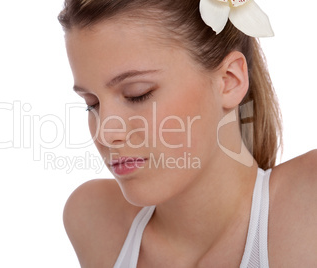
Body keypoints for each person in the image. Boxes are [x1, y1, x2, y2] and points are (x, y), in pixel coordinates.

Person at [58, 0, 317, 267]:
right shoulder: (94, 221)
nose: (105, 133)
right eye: (92, 103)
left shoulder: (309, 201)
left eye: (138, 94)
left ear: (229, 80)